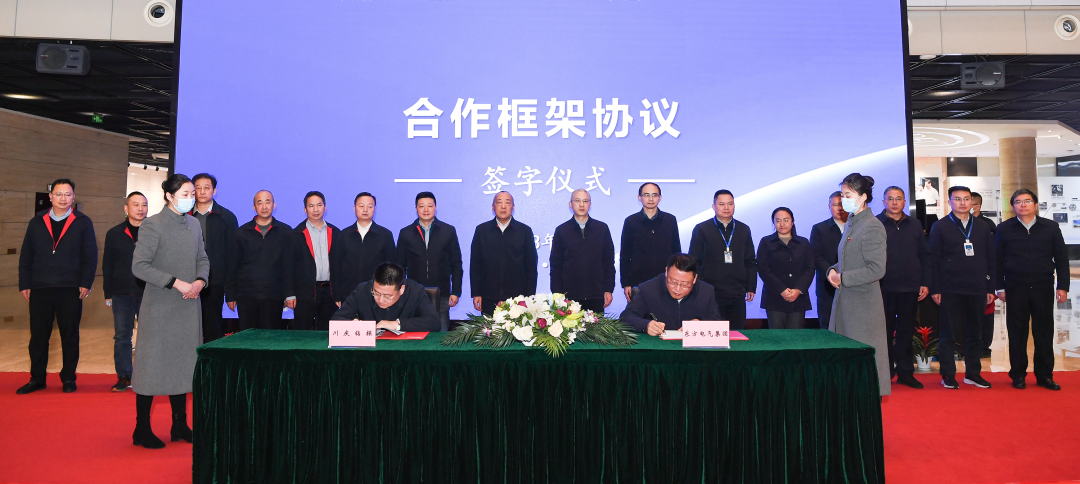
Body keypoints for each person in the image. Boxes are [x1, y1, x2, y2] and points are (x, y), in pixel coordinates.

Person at [129, 173, 209, 449]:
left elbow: (202, 258)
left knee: (182, 365)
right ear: (169, 196)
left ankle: (179, 425)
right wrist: (175, 282)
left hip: (188, 306)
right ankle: (141, 429)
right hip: (160, 307)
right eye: (185, 194)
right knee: (151, 367)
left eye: (192, 194)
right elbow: (139, 266)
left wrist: (199, 281)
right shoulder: (153, 224)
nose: (191, 198)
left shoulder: (194, 224)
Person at [16, 179, 97, 395]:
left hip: (70, 288)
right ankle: (37, 378)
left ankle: (68, 377)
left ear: (73, 197)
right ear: (50, 196)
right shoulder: (37, 221)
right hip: (40, 287)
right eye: (59, 194)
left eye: (68, 194)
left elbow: (90, 256)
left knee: (69, 336)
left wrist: (86, 282)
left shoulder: (82, 222)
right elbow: (26, 255)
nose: (63, 198)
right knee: (38, 337)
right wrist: (24, 283)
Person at [995, 189, 1068, 391]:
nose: (1023, 205)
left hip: (1043, 286)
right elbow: (997, 260)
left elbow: (1061, 258)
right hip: (1015, 287)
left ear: (1035, 205)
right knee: (1017, 332)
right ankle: (1018, 374)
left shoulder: (1051, 227)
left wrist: (1063, 286)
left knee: (1044, 331)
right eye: (1018, 202)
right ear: (1013, 206)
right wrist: (999, 286)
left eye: (1027, 201)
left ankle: (1045, 375)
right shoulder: (1004, 228)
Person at [826, 173, 890, 396]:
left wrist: (842, 278)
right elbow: (848, 259)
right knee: (847, 363)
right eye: (842, 195)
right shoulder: (852, 223)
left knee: (863, 365)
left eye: (848, 195)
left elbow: (876, 269)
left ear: (863, 197)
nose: (843, 200)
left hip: (863, 308)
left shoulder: (872, 226)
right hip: (846, 303)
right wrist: (832, 270)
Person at [928, 186, 995, 389]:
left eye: (966, 199)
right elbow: (933, 260)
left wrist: (990, 287)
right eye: (957, 199)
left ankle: (973, 373)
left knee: (975, 333)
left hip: (976, 287)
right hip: (949, 288)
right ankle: (948, 374)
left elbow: (990, 257)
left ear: (972, 202)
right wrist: (935, 288)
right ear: (950, 202)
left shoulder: (982, 226)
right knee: (948, 334)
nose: (963, 203)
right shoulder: (940, 226)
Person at [876, 187, 930, 389]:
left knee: (906, 332)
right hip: (883, 287)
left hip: (910, 287)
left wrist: (925, 282)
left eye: (898, 198)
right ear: (883, 202)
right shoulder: (876, 224)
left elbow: (924, 255)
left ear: (904, 202)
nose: (894, 202)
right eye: (890, 198)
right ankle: (885, 373)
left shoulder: (915, 224)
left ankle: (906, 373)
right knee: (884, 333)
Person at [688, 189, 757, 330]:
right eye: (722, 204)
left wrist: (751, 286)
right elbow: (694, 261)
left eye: (730, 204)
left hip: (737, 292)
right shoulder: (702, 229)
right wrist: (698, 287)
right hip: (711, 292)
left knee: (736, 333)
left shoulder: (743, 229)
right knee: (713, 333)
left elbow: (750, 260)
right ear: (714, 206)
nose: (726, 207)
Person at [227, 190, 294, 330]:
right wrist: (230, 295)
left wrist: (289, 294)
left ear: (274, 205)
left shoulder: (286, 232)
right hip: (246, 296)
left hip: (274, 296)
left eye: (267, 202)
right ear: (254, 207)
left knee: (270, 337)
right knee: (248, 337)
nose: (264, 206)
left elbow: (289, 267)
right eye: (260, 203)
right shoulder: (241, 233)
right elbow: (232, 266)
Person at [397, 192, 463, 331]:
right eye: (422, 206)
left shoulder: (448, 231)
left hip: (442, 293)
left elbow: (456, 264)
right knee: (416, 332)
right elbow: (400, 266)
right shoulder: (406, 233)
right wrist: (399, 290)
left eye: (430, 206)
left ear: (435, 208)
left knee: (441, 333)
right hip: (414, 293)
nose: (426, 209)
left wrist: (456, 291)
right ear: (416, 208)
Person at [103, 192, 149, 392]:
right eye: (136, 204)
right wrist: (108, 293)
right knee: (122, 336)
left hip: (149, 293)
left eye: (144, 205)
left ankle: (148, 374)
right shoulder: (114, 233)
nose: (140, 208)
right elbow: (107, 265)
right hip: (121, 293)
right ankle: (124, 376)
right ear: (126, 208)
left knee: (149, 336)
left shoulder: (154, 232)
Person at [470, 191, 538, 315]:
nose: (503, 206)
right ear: (493, 207)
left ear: (513, 207)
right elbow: (475, 264)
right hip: (488, 296)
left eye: (507, 203)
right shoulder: (482, 230)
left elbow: (531, 266)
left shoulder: (524, 231)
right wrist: (476, 293)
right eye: (499, 202)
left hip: (518, 298)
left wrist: (530, 296)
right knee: (489, 328)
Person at [189, 173, 239, 341]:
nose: (202, 192)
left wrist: (230, 289)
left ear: (214, 191)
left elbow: (233, 255)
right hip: (186, 282)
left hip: (214, 283)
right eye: (198, 188)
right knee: (187, 328)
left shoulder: (227, 217)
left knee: (212, 327)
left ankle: (210, 358)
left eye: (207, 188)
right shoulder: (184, 216)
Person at [620, 254, 722, 335]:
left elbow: (718, 324)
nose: (677, 289)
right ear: (666, 272)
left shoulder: (706, 292)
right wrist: (646, 326)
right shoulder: (648, 289)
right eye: (673, 282)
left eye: (685, 284)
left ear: (695, 279)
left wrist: (701, 325)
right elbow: (625, 318)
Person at [550, 189, 616, 313]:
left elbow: (608, 262)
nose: (581, 205)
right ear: (570, 204)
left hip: (596, 295)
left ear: (590, 204)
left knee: (596, 326)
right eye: (577, 201)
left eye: (585, 201)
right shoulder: (562, 230)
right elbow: (556, 265)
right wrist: (557, 293)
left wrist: (608, 289)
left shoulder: (601, 229)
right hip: (569, 296)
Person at [331, 262, 441, 332]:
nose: (381, 300)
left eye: (388, 296)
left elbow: (434, 322)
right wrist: (352, 324)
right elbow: (336, 320)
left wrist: (397, 324)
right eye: (376, 293)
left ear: (401, 290)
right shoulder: (362, 290)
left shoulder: (415, 291)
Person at [288, 191, 343, 330]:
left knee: (327, 333)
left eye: (319, 205)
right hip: (305, 292)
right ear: (305, 209)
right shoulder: (295, 234)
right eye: (311, 206)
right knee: (302, 332)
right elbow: (288, 267)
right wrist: (290, 294)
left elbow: (341, 266)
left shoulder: (336, 233)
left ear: (325, 207)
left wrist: (340, 294)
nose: (316, 209)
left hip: (329, 292)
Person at [620, 182, 681, 302]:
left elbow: (676, 252)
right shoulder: (631, 222)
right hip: (638, 281)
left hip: (666, 280)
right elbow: (625, 255)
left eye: (654, 195)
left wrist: (677, 278)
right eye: (646, 195)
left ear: (660, 197)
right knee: (639, 313)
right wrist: (626, 283)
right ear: (640, 197)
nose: (651, 199)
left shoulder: (670, 220)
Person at [756, 207, 814, 329]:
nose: (782, 224)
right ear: (773, 222)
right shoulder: (766, 242)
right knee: (777, 337)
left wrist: (798, 290)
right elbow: (763, 269)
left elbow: (809, 268)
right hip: (774, 297)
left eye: (786, 220)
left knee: (795, 336)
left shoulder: (803, 243)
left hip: (798, 298)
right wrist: (781, 290)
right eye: (778, 220)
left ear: (792, 222)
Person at [336, 192, 396, 306]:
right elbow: (336, 267)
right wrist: (337, 295)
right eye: (361, 206)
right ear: (354, 208)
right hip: (348, 294)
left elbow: (390, 267)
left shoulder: (385, 235)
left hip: (378, 295)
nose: (365, 210)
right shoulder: (344, 235)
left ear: (374, 209)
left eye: (369, 206)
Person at [809, 191, 847, 329]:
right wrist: (831, 273)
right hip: (827, 286)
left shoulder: (856, 227)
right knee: (827, 327)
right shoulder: (819, 229)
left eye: (842, 204)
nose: (839, 208)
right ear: (829, 206)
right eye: (835, 205)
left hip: (852, 284)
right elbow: (815, 256)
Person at [971, 191, 998, 358]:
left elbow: (994, 252)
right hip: (964, 276)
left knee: (986, 313)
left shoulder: (987, 224)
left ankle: (984, 346)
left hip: (984, 274)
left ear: (978, 206)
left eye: (971, 203)